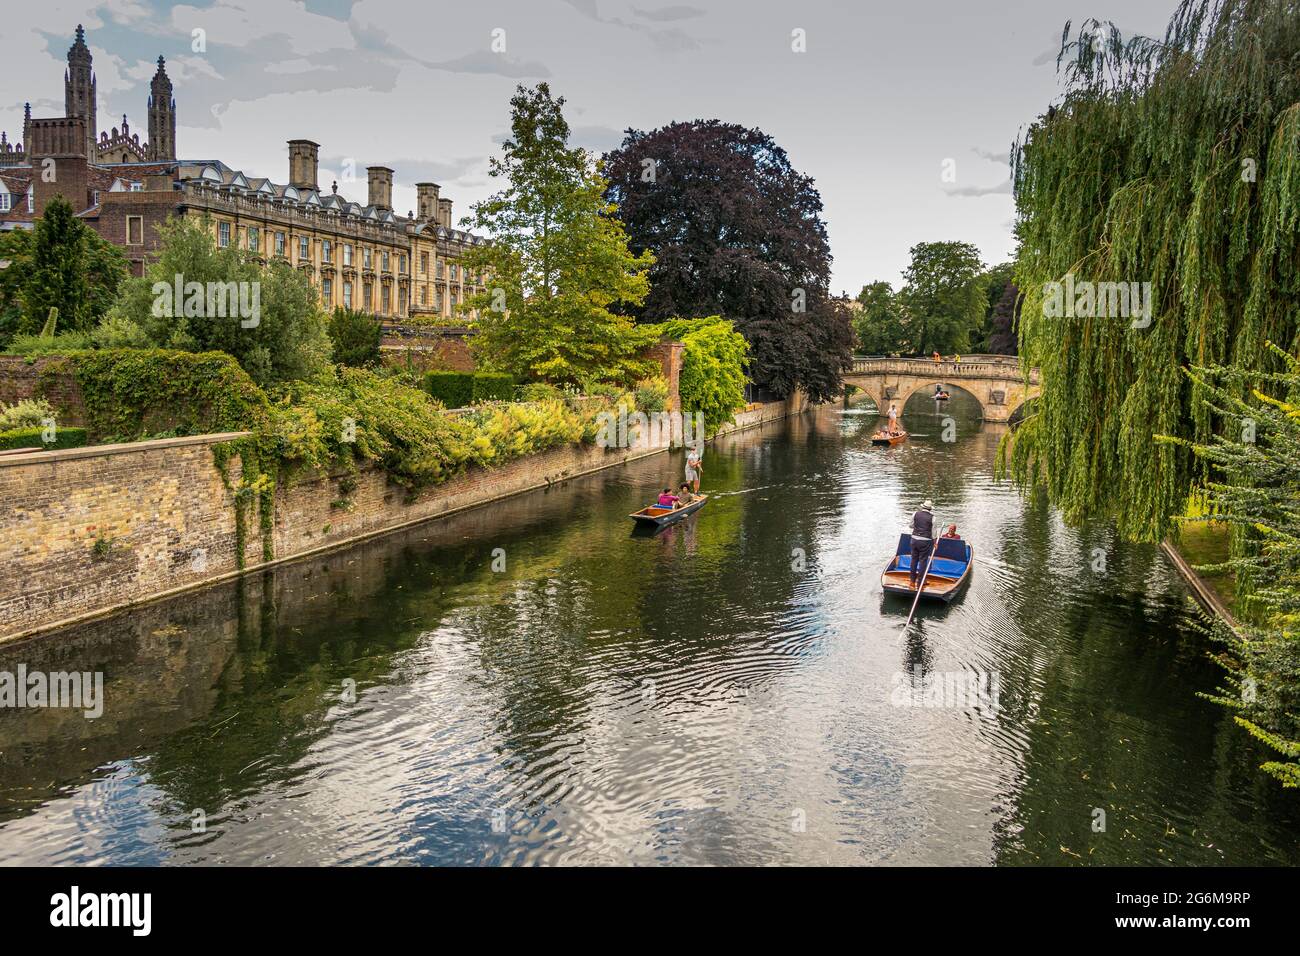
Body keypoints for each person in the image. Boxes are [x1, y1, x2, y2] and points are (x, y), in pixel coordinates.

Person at [909, 499, 935, 591]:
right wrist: (935, 542)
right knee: (923, 561)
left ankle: (912, 582)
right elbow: (933, 532)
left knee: (914, 560)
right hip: (925, 541)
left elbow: (911, 526)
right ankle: (920, 582)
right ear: (930, 509)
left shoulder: (915, 513)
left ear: (923, 507)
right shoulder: (932, 517)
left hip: (914, 539)